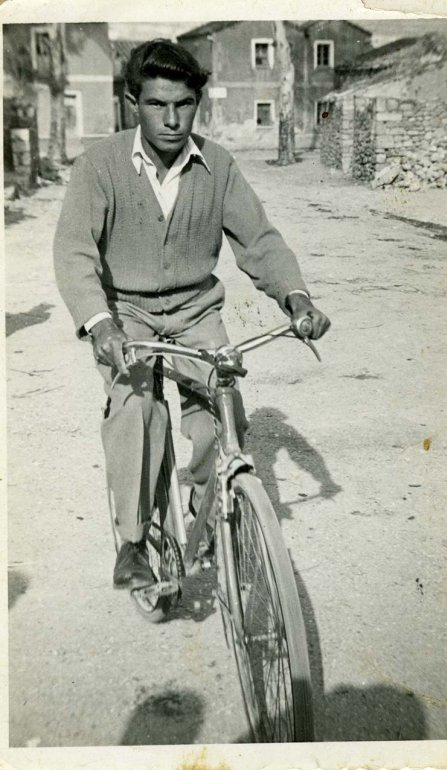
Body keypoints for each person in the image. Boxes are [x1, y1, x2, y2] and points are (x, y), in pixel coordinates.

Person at [53, 39, 330, 590]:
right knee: (135, 408)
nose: (172, 119)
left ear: (196, 104)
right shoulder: (99, 165)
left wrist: (295, 297)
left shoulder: (217, 165)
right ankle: (133, 543)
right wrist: (100, 323)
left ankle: (209, 512)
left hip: (195, 311)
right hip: (125, 312)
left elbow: (259, 241)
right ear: (133, 103)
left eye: (184, 105)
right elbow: (74, 252)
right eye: (157, 104)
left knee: (222, 407)